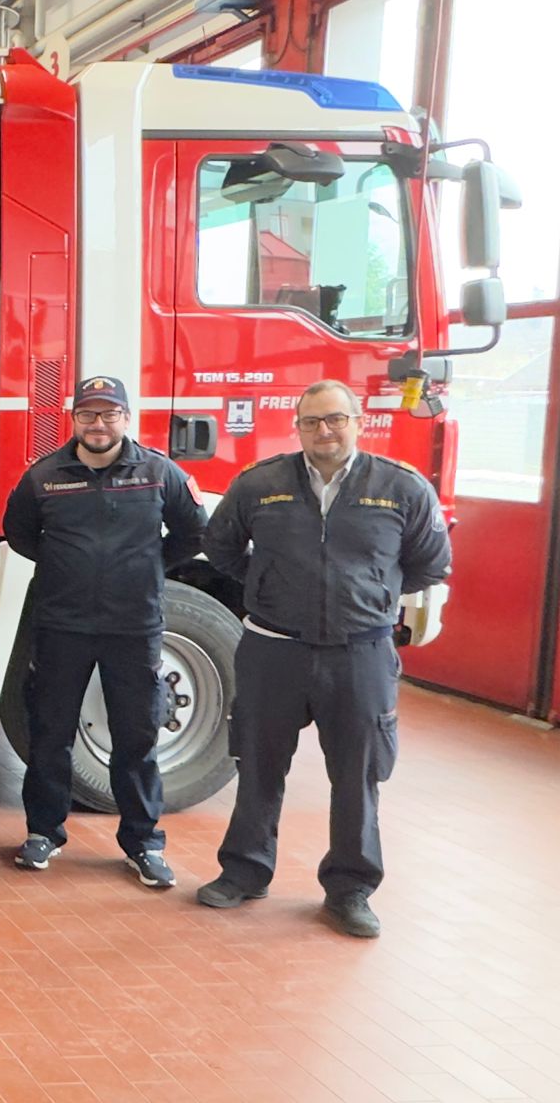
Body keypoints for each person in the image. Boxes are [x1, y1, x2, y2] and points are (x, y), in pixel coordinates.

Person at [197, 380, 451, 938]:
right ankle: (244, 871)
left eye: (335, 419)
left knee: (357, 774)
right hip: (274, 648)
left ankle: (350, 889)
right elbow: (220, 548)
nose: (323, 431)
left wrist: (372, 594)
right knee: (258, 765)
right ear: (297, 427)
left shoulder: (402, 487)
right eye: (311, 421)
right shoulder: (259, 483)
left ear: (357, 421)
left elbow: (430, 563)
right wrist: (268, 586)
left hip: (361, 653)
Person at [2, 374, 206, 887]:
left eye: (109, 413)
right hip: (61, 624)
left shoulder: (159, 472)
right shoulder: (44, 476)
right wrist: (64, 567)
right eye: (88, 414)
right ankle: (43, 833)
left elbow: (193, 531)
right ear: (74, 419)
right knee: (49, 733)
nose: (98, 423)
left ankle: (143, 842)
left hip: (133, 626)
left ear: (126, 418)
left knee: (137, 737)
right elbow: (21, 533)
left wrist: (149, 567)